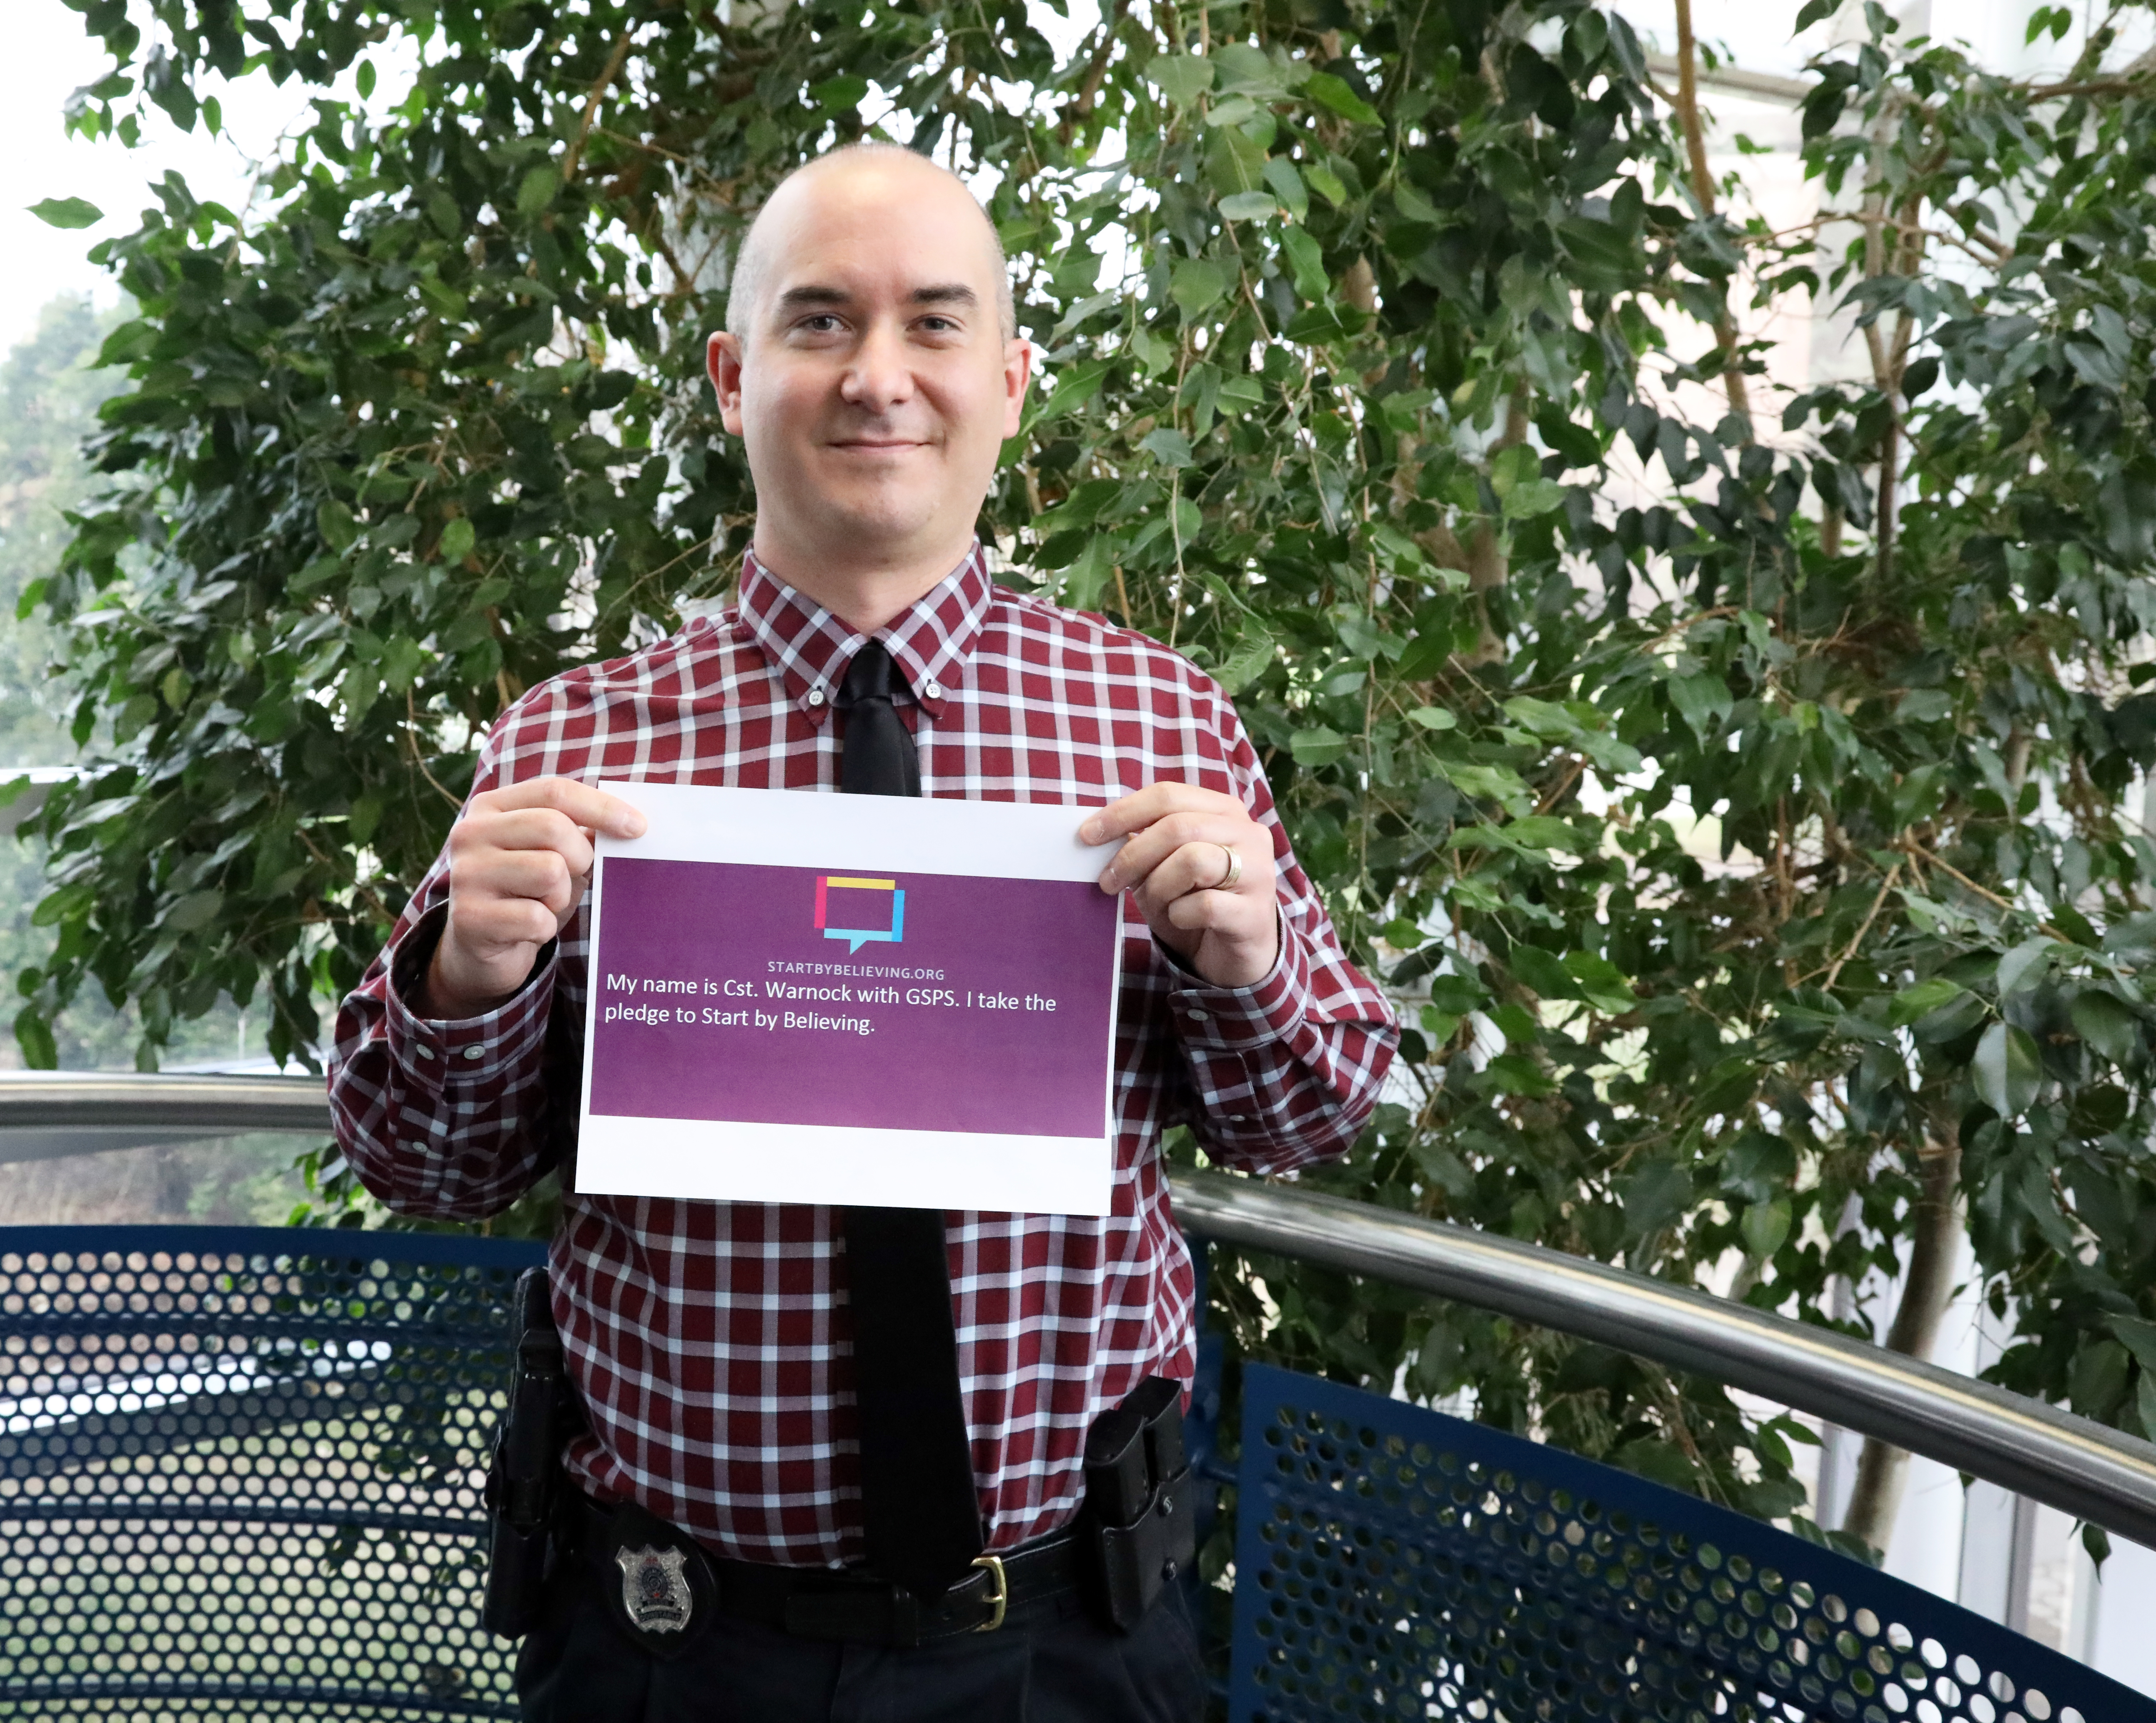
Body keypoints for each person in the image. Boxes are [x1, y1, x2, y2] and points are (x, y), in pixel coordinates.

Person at [329, 142, 1397, 1721]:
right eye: (819, 321)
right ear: (731, 374)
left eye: (935, 324)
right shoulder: (576, 748)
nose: (877, 377)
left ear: (1015, 380)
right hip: (668, 1651)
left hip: (1069, 1646)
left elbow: (1316, 1118)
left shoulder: (1162, 724)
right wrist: (465, 979)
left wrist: (1250, 962)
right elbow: (421, 1164)